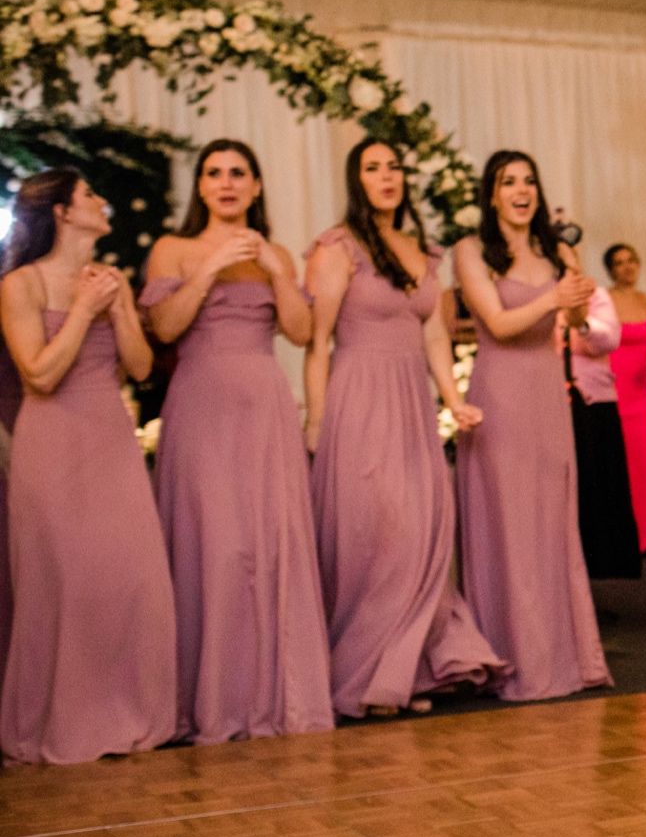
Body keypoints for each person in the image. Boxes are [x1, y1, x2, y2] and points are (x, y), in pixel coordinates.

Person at [307, 139, 505, 717]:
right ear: (357, 179)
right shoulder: (337, 247)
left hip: (412, 405)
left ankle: (407, 672)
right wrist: (317, 421)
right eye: (372, 168)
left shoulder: (423, 250)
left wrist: (454, 399)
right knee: (378, 534)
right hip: (358, 398)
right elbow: (317, 343)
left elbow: (434, 334)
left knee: (421, 532)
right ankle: (364, 675)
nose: (386, 176)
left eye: (393, 166)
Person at [142, 140, 331, 744]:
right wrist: (208, 269)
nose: (226, 183)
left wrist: (277, 272)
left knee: (270, 546)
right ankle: (212, 701)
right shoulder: (173, 248)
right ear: (200, 187)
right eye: (214, 173)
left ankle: (276, 697)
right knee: (215, 547)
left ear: (255, 187)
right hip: (200, 404)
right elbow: (164, 329)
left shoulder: (273, 251)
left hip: (265, 407)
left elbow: (301, 334)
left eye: (238, 174)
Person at [0, 168, 178, 764]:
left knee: (136, 579)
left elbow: (141, 365)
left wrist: (120, 305)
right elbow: (40, 375)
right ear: (62, 212)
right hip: (51, 444)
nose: (102, 203)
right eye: (89, 196)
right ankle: (62, 725)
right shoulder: (19, 284)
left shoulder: (112, 279)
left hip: (111, 439)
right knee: (65, 586)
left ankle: (133, 714)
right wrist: (82, 309)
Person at [452, 150, 612, 701]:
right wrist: (553, 295)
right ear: (491, 194)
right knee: (509, 523)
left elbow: (571, 323)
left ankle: (562, 654)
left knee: (551, 520)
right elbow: (496, 323)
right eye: (507, 182)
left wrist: (576, 298)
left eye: (528, 182)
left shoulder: (555, 252)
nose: (521, 191)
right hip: (499, 392)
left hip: (547, 393)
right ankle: (514, 659)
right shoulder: (471, 251)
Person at [564, 256, 641, 580]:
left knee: (596, 486)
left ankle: (596, 569)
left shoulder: (594, 294)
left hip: (593, 403)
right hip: (549, 399)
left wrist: (581, 322)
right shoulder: (535, 296)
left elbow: (608, 339)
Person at [604, 242, 646, 555]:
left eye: (632, 261)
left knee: (645, 463)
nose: (628, 267)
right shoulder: (604, 298)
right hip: (615, 390)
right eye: (620, 263)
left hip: (641, 392)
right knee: (624, 463)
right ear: (610, 269)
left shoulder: (643, 298)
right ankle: (627, 535)